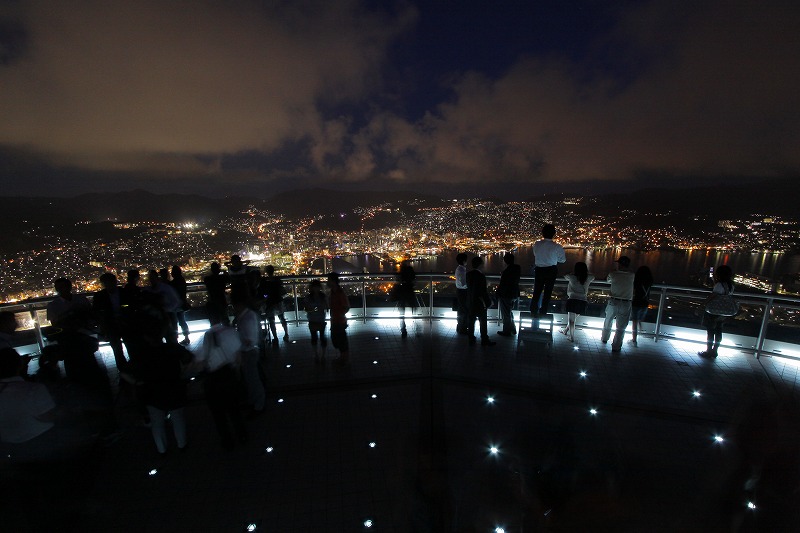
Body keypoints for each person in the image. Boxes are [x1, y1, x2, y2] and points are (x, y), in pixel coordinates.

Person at [122, 314, 190, 455]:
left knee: (157, 423)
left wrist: (136, 382)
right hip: (173, 388)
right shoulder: (172, 349)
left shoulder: (141, 354)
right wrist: (184, 374)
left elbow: (124, 371)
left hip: (152, 391)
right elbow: (190, 359)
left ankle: (162, 449)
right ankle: (182, 445)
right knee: (178, 419)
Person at [197, 316, 247, 450]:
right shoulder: (231, 332)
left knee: (218, 414)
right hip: (229, 374)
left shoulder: (207, 335)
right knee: (234, 409)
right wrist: (237, 372)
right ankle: (242, 435)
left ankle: (227, 440)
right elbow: (238, 357)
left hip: (214, 378)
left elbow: (201, 361)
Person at [232, 295, 265, 416]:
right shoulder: (246, 315)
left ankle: (258, 405)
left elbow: (250, 339)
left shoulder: (247, 317)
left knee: (253, 379)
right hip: (248, 351)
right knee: (250, 378)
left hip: (249, 351)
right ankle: (254, 402)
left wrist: (236, 338)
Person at [92, 272, 127, 369]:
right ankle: (125, 369)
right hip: (112, 325)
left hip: (123, 324)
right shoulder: (100, 296)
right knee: (118, 349)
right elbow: (97, 311)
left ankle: (126, 370)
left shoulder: (123, 292)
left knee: (123, 347)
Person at [601, 256, 635, 353]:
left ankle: (605, 338)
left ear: (619, 264)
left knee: (608, 320)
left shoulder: (613, 274)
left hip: (613, 300)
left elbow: (608, 280)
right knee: (621, 326)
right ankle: (616, 346)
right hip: (626, 302)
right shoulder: (632, 275)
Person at [700, 265, 735, 359]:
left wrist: (702, 304)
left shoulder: (719, 285)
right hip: (724, 313)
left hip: (714, 312)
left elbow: (713, 296)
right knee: (719, 331)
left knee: (710, 331)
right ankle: (715, 351)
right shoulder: (731, 286)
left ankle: (708, 351)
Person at [530, 224, 566, 316]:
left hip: (539, 270)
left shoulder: (537, 244)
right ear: (554, 234)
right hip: (551, 270)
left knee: (537, 291)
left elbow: (535, 255)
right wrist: (553, 258)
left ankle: (533, 310)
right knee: (548, 292)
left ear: (542, 233)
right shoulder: (557, 247)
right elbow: (562, 260)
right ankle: (543, 311)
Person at [145, 269, 182, 344]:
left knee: (167, 338)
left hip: (165, 315)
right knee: (171, 338)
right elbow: (176, 301)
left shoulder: (152, 290)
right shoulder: (165, 288)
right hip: (166, 315)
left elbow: (176, 301)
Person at [560, 262, 594, 342]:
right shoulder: (588, 277)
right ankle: (565, 331)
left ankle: (572, 337)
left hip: (572, 300)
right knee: (573, 318)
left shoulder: (572, 277)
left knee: (571, 320)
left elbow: (564, 275)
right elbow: (593, 276)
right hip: (583, 301)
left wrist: (572, 272)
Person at [466, 256, 496, 346]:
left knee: (471, 320)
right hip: (480, 301)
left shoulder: (468, 274)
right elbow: (483, 291)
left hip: (471, 300)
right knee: (483, 321)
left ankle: (471, 337)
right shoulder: (481, 276)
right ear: (480, 265)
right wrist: (488, 302)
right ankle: (484, 339)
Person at [261, 265, 289, 343]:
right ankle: (286, 334)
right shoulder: (277, 280)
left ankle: (275, 337)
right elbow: (282, 290)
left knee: (271, 320)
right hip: (278, 301)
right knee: (282, 318)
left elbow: (264, 292)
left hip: (269, 302)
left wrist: (265, 297)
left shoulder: (265, 281)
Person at [327, 272, 350, 364]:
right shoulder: (333, 292)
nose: (327, 282)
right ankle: (343, 357)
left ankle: (344, 358)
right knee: (337, 340)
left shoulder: (340, 293)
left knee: (340, 340)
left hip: (339, 321)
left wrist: (340, 315)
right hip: (335, 320)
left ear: (333, 281)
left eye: (329, 280)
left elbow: (346, 306)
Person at [303, 279, 328, 363]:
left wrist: (313, 309)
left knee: (321, 337)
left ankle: (321, 355)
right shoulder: (322, 296)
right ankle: (318, 355)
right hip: (315, 319)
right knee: (316, 337)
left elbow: (326, 307)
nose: (316, 289)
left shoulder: (310, 297)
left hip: (318, 319)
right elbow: (306, 309)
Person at [496, 253, 521, 336]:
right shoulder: (517, 268)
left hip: (506, 294)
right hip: (514, 293)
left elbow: (504, 284)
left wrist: (498, 293)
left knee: (506, 313)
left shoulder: (507, 271)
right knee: (509, 312)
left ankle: (507, 331)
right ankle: (512, 329)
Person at [630, 266, 654, 346]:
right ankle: (640, 333)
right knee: (640, 320)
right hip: (645, 303)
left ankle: (634, 340)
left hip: (636, 302)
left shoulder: (637, 281)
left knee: (634, 321)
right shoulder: (649, 282)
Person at [170, 265, 191, 345]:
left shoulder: (174, 282)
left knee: (174, 322)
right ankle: (186, 338)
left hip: (175, 305)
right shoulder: (182, 280)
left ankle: (175, 339)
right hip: (182, 304)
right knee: (182, 321)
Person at [204, 262, 230, 326]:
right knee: (225, 320)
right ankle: (226, 333)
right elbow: (229, 279)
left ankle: (216, 334)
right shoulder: (222, 278)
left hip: (212, 301)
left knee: (214, 322)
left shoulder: (207, 279)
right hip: (222, 300)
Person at [397, 261, 417, 338]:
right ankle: (417, 327)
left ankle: (403, 330)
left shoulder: (400, 272)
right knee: (413, 308)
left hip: (401, 293)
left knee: (401, 313)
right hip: (410, 291)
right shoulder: (410, 270)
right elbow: (414, 279)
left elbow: (398, 281)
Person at [454, 253, 469, 334]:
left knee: (461, 309)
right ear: (464, 261)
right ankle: (462, 327)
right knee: (463, 309)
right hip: (463, 291)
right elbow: (463, 283)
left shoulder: (459, 268)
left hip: (459, 291)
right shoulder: (462, 270)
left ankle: (460, 326)